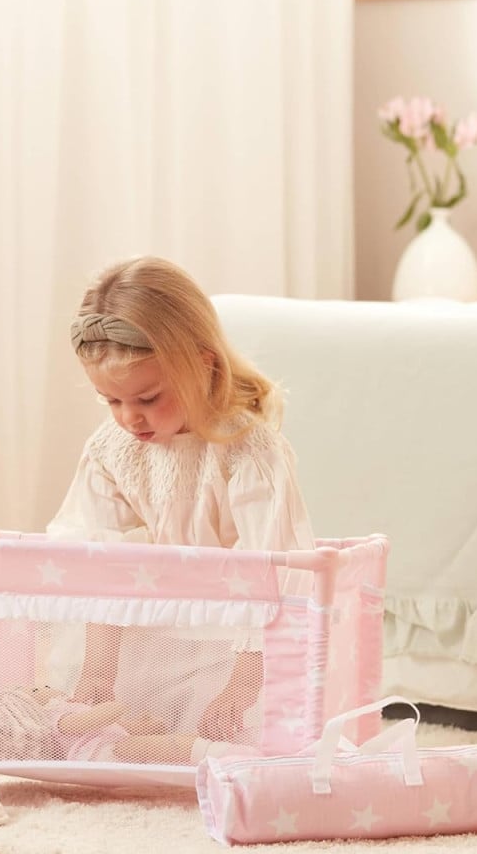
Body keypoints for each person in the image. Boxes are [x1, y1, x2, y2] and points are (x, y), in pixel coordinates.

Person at [46, 255, 315, 741]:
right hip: (147, 639)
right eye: (111, 400)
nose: (129, 418)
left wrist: (242, 687)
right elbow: (97, 558)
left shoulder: (247, 450)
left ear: (202, 365)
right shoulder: (111, 450)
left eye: (148, 398)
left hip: (237, 652)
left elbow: (278, 572)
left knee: (238, 741)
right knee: (87, 727)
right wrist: (99, 672)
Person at [0, 685, 250, 766]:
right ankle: (223, 755)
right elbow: (93, 721)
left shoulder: (64, 712)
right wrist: (114, 707)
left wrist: (145, 725)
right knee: (169, 746)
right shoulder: (57, 719)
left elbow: (116, 727)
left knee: (161, 745)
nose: (47, 686)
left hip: (111, 745)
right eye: (37, 689)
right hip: (101, 754)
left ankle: (212, 751)